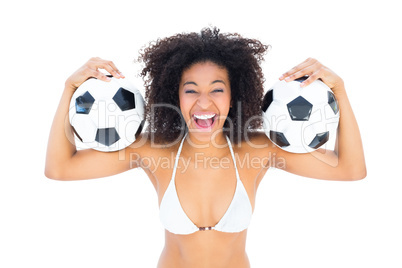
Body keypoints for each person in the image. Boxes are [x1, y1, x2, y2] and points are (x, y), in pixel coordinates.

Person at [45, 27, 366, 268]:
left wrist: (341, 91)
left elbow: (350, 169)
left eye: (217, 89)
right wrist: (68, 89)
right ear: (174, 94)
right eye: (190, 90)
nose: (204, 103)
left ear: (235, 94)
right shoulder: (153, 151)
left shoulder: (258, 150)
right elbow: (60, 168)